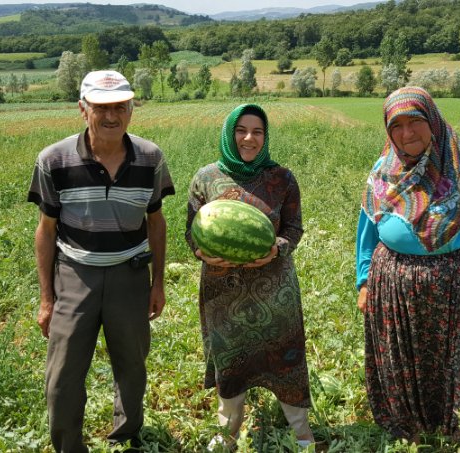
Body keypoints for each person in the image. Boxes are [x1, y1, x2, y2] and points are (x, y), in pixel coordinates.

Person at [27, 70, 175, 452]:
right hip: (76, 275)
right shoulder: (53, 160)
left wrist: (157, 283)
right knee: (62, 374)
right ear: (82, 109)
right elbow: (46, 230)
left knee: (132, 365)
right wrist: (47, 298)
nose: (111, 116)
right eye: (101, 107)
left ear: (131, 109)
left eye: (120, 107)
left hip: (130, 274)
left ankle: (125, 437)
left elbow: (155, 222)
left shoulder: (151, 157)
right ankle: (68, 446)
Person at [356, 86, 460, 445]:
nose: (406, 134)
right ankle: (410, 426)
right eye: (397, 126)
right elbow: (366, 235)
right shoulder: (381, 175)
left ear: (433, 122)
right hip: (393, 284)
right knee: (402, 357)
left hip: (457, 283)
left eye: (415, 122)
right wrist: (364, 283)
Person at [185, 104, 315, 450]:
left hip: (275, 290)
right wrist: (201, 252)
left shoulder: (282, 178)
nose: (249, 138)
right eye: (241, 130)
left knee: (285, 360)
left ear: (265, 136)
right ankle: (228, 431)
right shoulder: (206, 178)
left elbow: (294, 228)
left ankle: (301, 433)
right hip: (222, 291)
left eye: (257, 131)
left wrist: (277, 249)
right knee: (230, 361)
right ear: (230, 133)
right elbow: (191, 231)